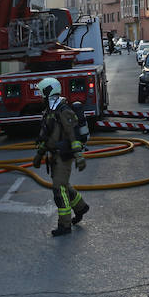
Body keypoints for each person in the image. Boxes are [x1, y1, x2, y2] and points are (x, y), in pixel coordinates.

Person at [32, 77, 89, 237]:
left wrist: (79, 156)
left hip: (64, 156)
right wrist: (39, 155)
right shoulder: (50, 112)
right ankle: (81, 207)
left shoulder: (64, 111)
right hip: (55, 156)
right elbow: (47, 137)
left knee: (59, 189)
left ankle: (64, 225)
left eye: (42, 93)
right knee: (64, 185)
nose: (40, 97)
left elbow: (73, 135)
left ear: (49, 92)